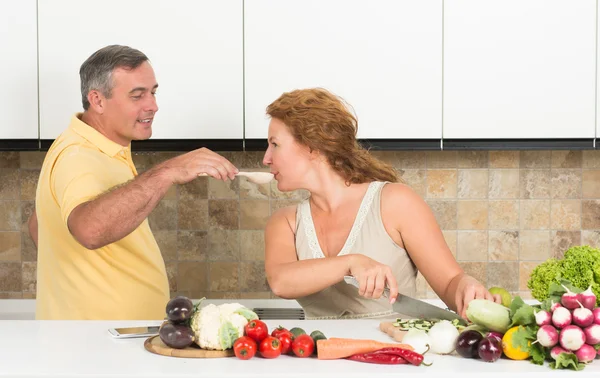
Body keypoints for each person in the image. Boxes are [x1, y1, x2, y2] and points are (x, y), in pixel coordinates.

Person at [28, 45, 238, 320]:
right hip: (98, 345)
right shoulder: (79, 155)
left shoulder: (101, 147)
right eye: (137, 96)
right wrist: (167, 172)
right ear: (98, 100)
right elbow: (89, 230)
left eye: (153, 92)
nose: (152, 105)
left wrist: (78, 272)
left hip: (112, 339)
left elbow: (40, 221)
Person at [263, 88, 501, 319]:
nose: (266, 158)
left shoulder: (395, 203)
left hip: (397, 354)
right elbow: (280, 281)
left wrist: (467, 286)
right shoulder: (286, 222)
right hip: (316, 356)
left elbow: (451, 282)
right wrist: (351, 262)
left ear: (311, 147)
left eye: (275, 144)